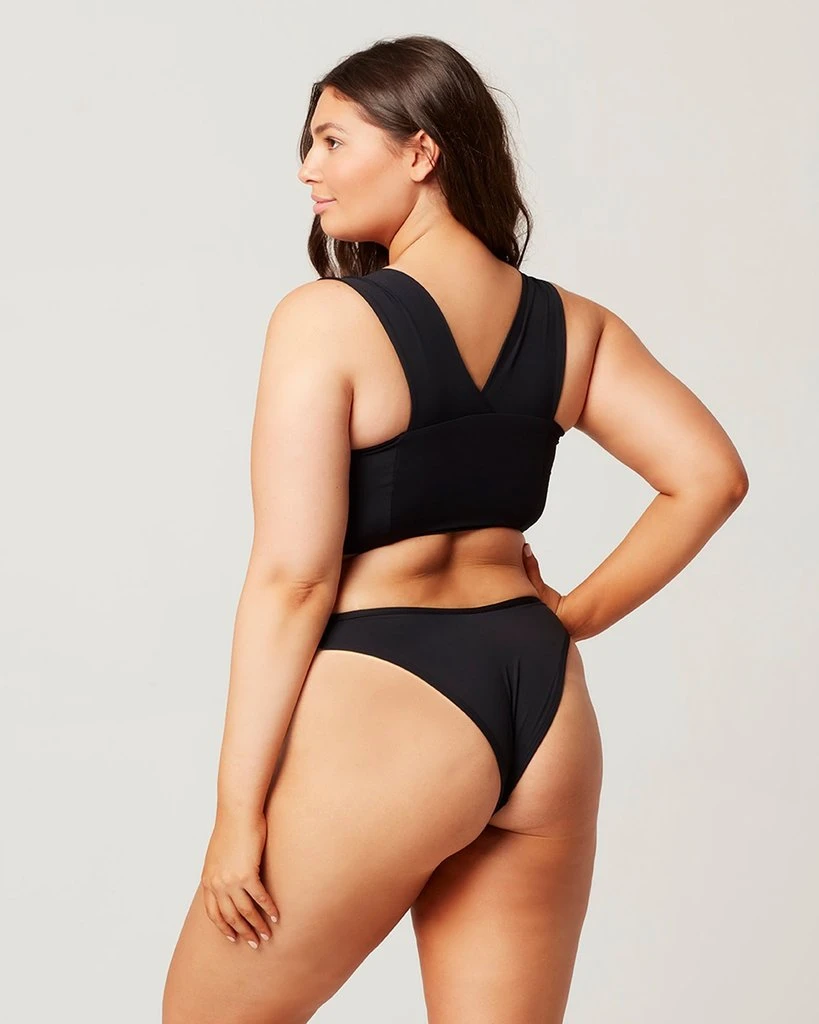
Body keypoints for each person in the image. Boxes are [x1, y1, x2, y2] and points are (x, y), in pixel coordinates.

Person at [162, 35, 748, 1024]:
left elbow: (294, 581)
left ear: (420, 151)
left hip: (390, 697)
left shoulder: (326, 319)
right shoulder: (577, 326)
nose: (308, 168)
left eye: (333, 140)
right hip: (544, 709)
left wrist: (236, 815)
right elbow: (710, 477)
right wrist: (572, 616)